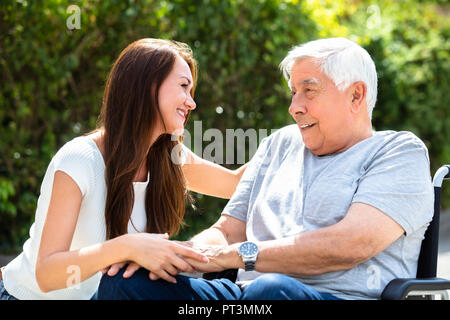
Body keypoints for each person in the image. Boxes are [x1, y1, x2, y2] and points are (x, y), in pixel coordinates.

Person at [96, 37, 434, 300]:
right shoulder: (280, 143)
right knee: (124, 283)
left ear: (356, 96)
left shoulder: (397, 152)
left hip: (327, 295)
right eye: (293, 93)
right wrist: (181, 256)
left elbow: (351, 244)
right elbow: (228, 231)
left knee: (270, 292)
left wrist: (237, 257)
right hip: (245, 297)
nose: (294, 107)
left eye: (309, 91)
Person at [0, 38, 248, 300]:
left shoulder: (169, 157)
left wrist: (289, 133)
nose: (191, 102)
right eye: (184, 87)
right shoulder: (80, 160)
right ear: (147, 86)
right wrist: (126, 247)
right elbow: (47, 273)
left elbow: (236, 184)